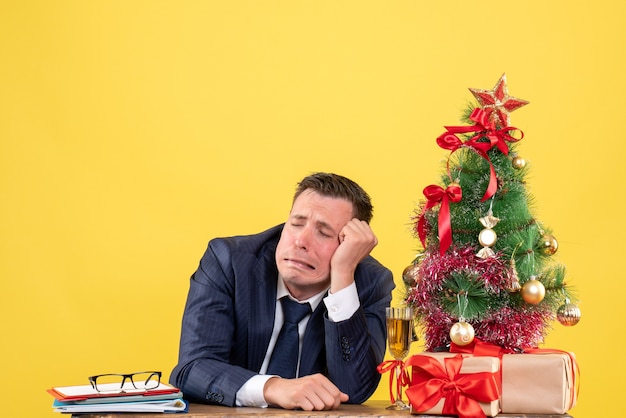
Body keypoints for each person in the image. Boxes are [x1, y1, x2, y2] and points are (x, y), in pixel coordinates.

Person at [170, 172, 395, 411]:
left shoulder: (369, 283)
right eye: (296, 224)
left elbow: (354, 390)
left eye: (324, 233)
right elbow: (192, 370)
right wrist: (273, 388)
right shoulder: (229, 261)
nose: (300, 241)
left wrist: (343, 275)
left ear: (350, 246)